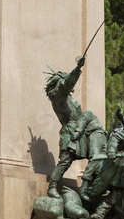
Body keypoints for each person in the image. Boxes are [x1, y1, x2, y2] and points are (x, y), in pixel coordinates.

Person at [44, 56, 108, 198]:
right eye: (66, 81)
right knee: (65, 161)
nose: (70, 85)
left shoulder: (67, 98)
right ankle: (52, 187)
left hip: (80, 132)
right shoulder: (58, 96)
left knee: (96, 158)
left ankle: (91, 186)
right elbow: (66, 84)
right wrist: (78, 68)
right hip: (70, 132)